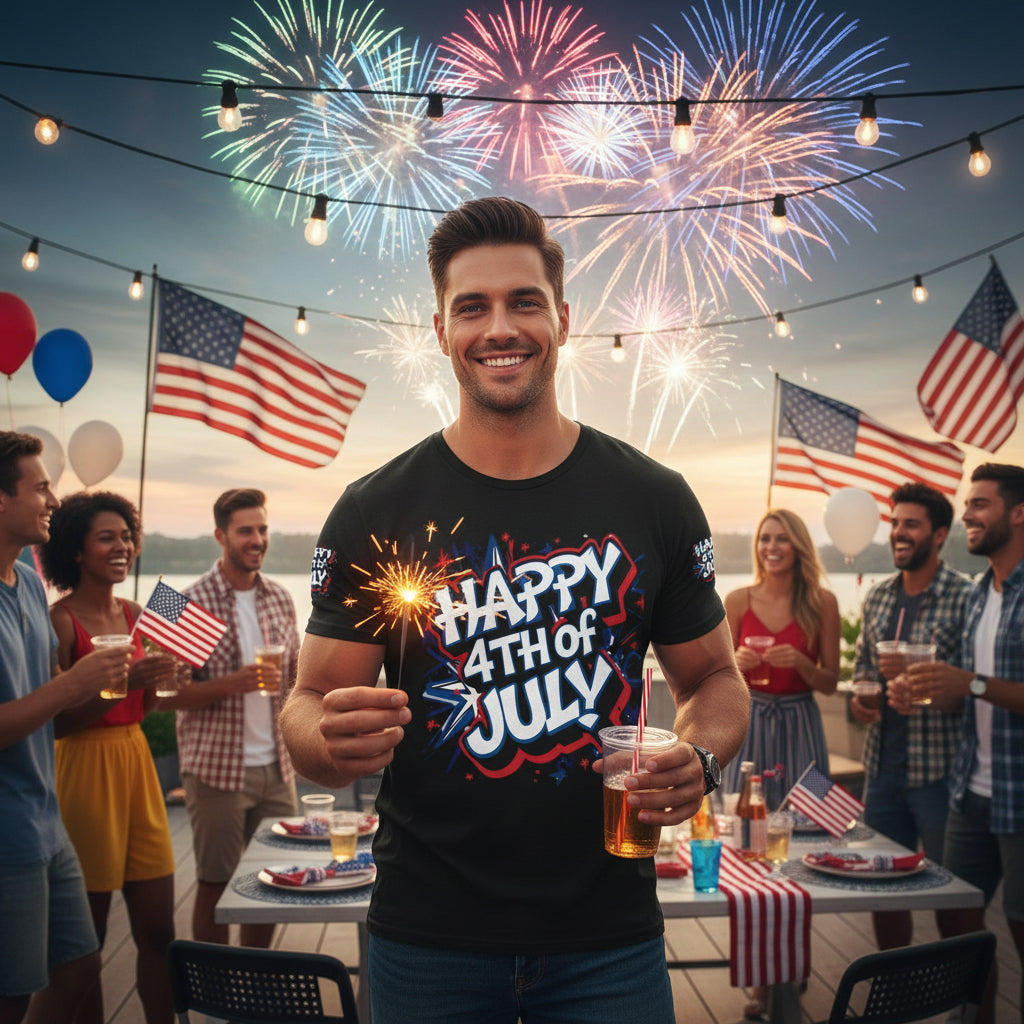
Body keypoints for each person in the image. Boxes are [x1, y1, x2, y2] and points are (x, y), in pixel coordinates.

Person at [281, 196, 750, 1024]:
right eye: (474, 306)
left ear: (562, 319)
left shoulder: (654, 499)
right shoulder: (373, 510)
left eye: (523, 301)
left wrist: (701, 759)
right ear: (441, 330)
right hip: (428, 936)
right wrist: (324, 738)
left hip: (610, 937)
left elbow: (715, 676)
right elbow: (308, 705)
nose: (500, 327)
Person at [0, 431, 132, 1024]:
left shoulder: (27, 582)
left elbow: (53, 694)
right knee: (12, 991)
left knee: (80, 963)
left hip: (47, 819)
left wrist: (134, 682)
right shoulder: (56, 606)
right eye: (41, 487)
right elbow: (59, 693)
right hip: (8, 834)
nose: (53, 499)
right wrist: (73, 684)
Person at [38, 491, 175, 1024]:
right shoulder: (60, 621)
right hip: (82, 769)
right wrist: (121, 684)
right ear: (75, 549)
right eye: (106, 538)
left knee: (159, 931)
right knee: (86, 944)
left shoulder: (139, 613)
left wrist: (161, 681)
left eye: (126, 536)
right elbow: (58, 723)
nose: (121, 547)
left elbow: (145, 709)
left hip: (136, 763)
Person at [905, 463, 1024, 1023]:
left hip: (1020, 797)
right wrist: (930, 690)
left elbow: (980, 686)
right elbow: (966, 695)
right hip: (968, 790)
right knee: (958, 925)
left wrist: (970, 683)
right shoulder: (980, 594)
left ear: (1018, 513)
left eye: (980, 505)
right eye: (968, 505)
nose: (968, 516)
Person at [161, 488, 299, 947]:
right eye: (245, 530)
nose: (257, 539)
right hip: (216, 770)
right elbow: (163, 697)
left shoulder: (280, 597)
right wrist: (230, 683)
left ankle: (254, 988)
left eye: (262, 529)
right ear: (221, 535)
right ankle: (216, 991)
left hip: (278, 769)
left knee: (273, 886)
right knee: (215, 884)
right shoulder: (183, 602)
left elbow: (299, 677)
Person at [849, 482, 973, 952]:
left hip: (941, 773)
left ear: (940, 535)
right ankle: (895, 989)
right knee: (885, 894)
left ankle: (965, 1000)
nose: (898, 533)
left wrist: (934, 689)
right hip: (881, 772)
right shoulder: (879, 597)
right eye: (895, 523)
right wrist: (863, 703)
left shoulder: (965, 598)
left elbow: (975, 687)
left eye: (911, 525)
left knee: (954, 899)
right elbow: (864, 671)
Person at [724, 508, 840, 807]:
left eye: (782, 539)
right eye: (765, 539)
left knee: (812, 813)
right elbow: (719, 676)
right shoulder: (737, 601)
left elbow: (830, 683)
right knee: (742, 815)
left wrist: (801, 662)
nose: (771, 547)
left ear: (799, 547)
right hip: (749, 721)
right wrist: (736, 663)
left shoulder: (823, 602)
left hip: (802, 723)